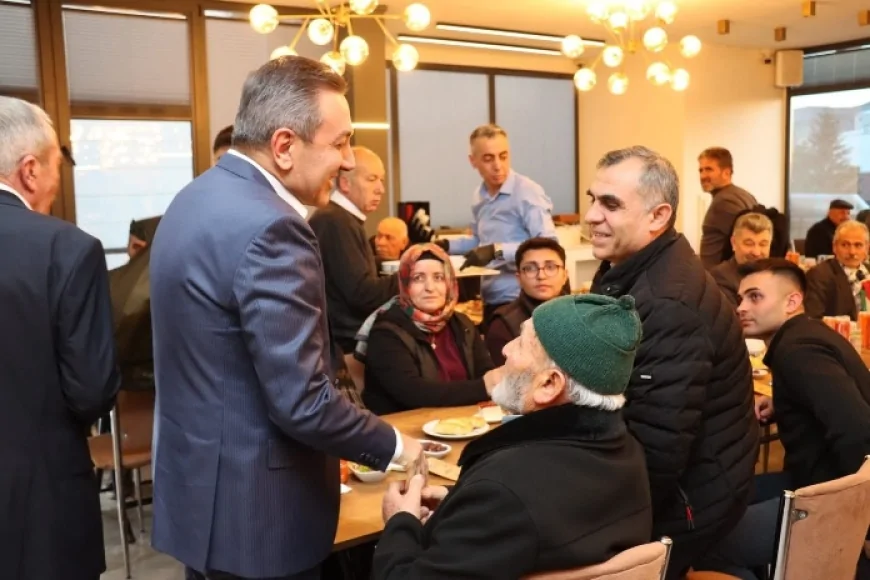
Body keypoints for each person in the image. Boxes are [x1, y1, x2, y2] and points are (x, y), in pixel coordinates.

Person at [149, 56, 424, 580]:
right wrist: (396, 447)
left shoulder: (193, 197)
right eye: (340, 143)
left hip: (201, 492)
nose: (348, 161)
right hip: (260, 509)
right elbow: (303, 401)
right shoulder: (275, 228)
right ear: (283, 146)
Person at [372, 293, 652, 579]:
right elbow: (546, 521)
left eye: (520, 342)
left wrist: (400, 522)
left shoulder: (503, 492)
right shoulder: (627, 453)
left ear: (548, 384)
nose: (505, 349)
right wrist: (459, 503)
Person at [586, 145, 758, 579]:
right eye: (592, 199)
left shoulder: (667, 302)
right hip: (685, 481)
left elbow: (658, 452)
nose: (590, 216)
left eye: (610, 204)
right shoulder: (630, 268)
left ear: (658, 216)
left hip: (690, 503)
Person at [0, 96, 120, 580]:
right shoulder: (67, 249)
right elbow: (92, 390)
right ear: (30, 170)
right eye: (56, 166)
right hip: (41, 502)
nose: (57, 181)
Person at [700, 258, 870, 579]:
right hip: (814, 480)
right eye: (741, 298)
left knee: (706, 540)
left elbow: (857, 431)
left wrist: (852, 515)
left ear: (792, 302)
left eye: (755, 297)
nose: (741, 307)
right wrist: (783, 402)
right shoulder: (805, 335)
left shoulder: (798, 351)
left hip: (828, 496)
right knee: (726, 501)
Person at [425, 124, 558, 328]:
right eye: (488, 158)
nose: (498, 166)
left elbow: (548, 245)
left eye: (503, 156)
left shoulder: (527, 192)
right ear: (473, 161)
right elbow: (481, 242)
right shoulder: (479, 196)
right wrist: (446, 245)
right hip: (490, 297)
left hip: (521, 299)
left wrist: (496, 251)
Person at [357, 243, 498, 415]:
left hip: (464, 421)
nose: (430, 287)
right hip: (405, 426)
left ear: (450, 283)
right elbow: (414, 393)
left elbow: (485, 371)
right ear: (404, 284)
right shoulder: (385, 332)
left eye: (438, 277)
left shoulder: (463, 324)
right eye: (418, 278)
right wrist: (484, 386)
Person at [309, 146, 398, 391]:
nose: (380, 189)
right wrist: (408, 275)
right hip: (344, 350)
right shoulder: (335, 221)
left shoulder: (341, 219)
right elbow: (362, 293)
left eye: (382, 180)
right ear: (345, 183)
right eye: (372, 179)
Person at [486, 237, 569, 365]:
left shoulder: (583, 314)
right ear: (519, 278)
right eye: (530, 268)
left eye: (550, 267)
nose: (541, 276)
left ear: (565, 275)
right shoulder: (503, 325)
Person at [698, 147, 757, 269]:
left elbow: (748, 240)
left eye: (709, 169)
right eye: (701, 170)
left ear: (726, 173)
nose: (703, 176)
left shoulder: (724, 202)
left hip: (719, 277)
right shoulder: (745, 195)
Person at [804, 220, 870, 321]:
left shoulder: (867, 271)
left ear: (867, 248)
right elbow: (813, 319)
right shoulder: (819, 275)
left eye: (858, 245)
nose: (852, 252)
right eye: (845, 245)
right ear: (834, 247)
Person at [711, 212, 773, 307]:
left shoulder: (776, 275)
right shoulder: (720, 277)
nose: (756, 252)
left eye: (763, 244)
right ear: (734, 243)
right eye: (749, 244)